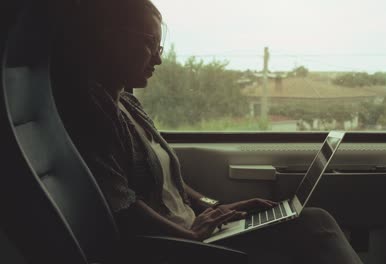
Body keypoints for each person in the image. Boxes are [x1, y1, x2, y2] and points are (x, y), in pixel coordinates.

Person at [52, 0, 362, 263]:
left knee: (312, 221)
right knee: (315, 226)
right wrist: (189, 235)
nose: (158, 58)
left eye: (158, 46)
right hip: (176, 245)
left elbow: (170, 184)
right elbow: (121, 206)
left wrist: (215, 206)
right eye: (148, 44)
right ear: (110, 39)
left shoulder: (128, 104)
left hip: (193, 231)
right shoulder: (89, 111)